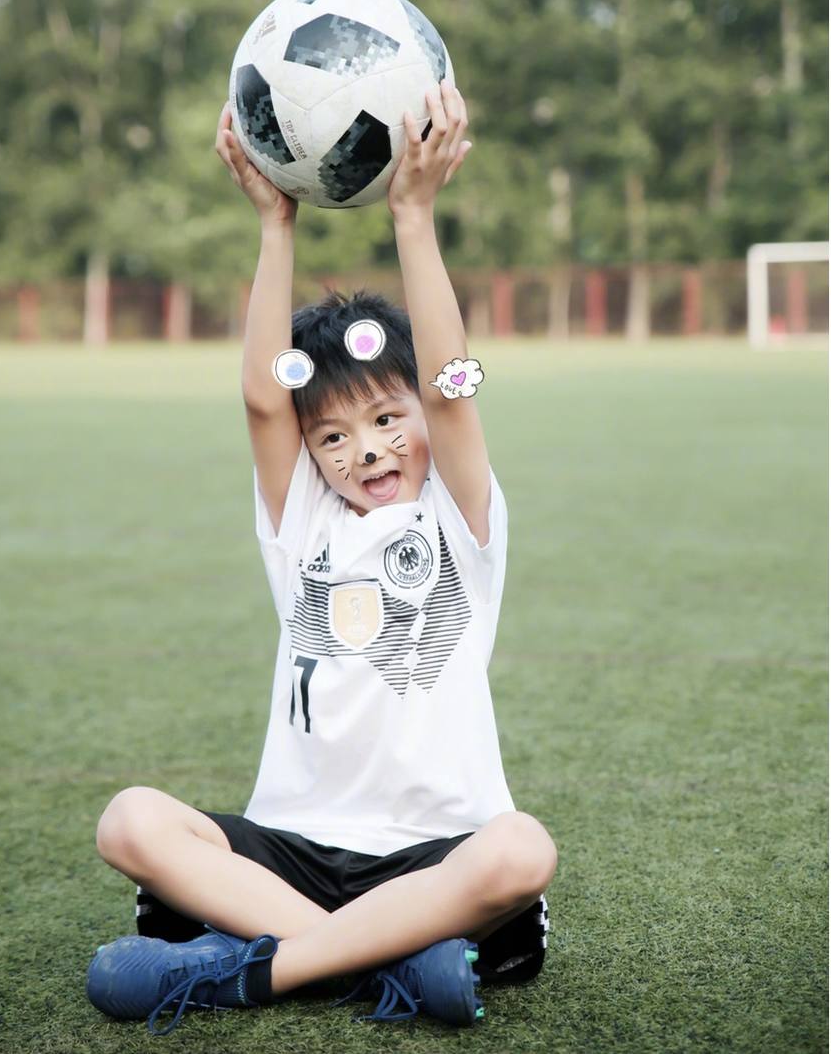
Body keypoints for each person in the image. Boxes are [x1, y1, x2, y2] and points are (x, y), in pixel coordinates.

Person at [86, 81, 557, 1035]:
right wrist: (274, 227)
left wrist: (413, 217)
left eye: (388, 419)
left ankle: (249, 969)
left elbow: (455, 384)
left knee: (520, 851)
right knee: (128, 819)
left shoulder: (461, 520)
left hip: (434, 852)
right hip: (296, 847)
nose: (366, 450)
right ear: (311, 456)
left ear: (423, 415)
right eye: (334, 438)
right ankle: (386, 962)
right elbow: (268, 401)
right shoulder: (305, 522)